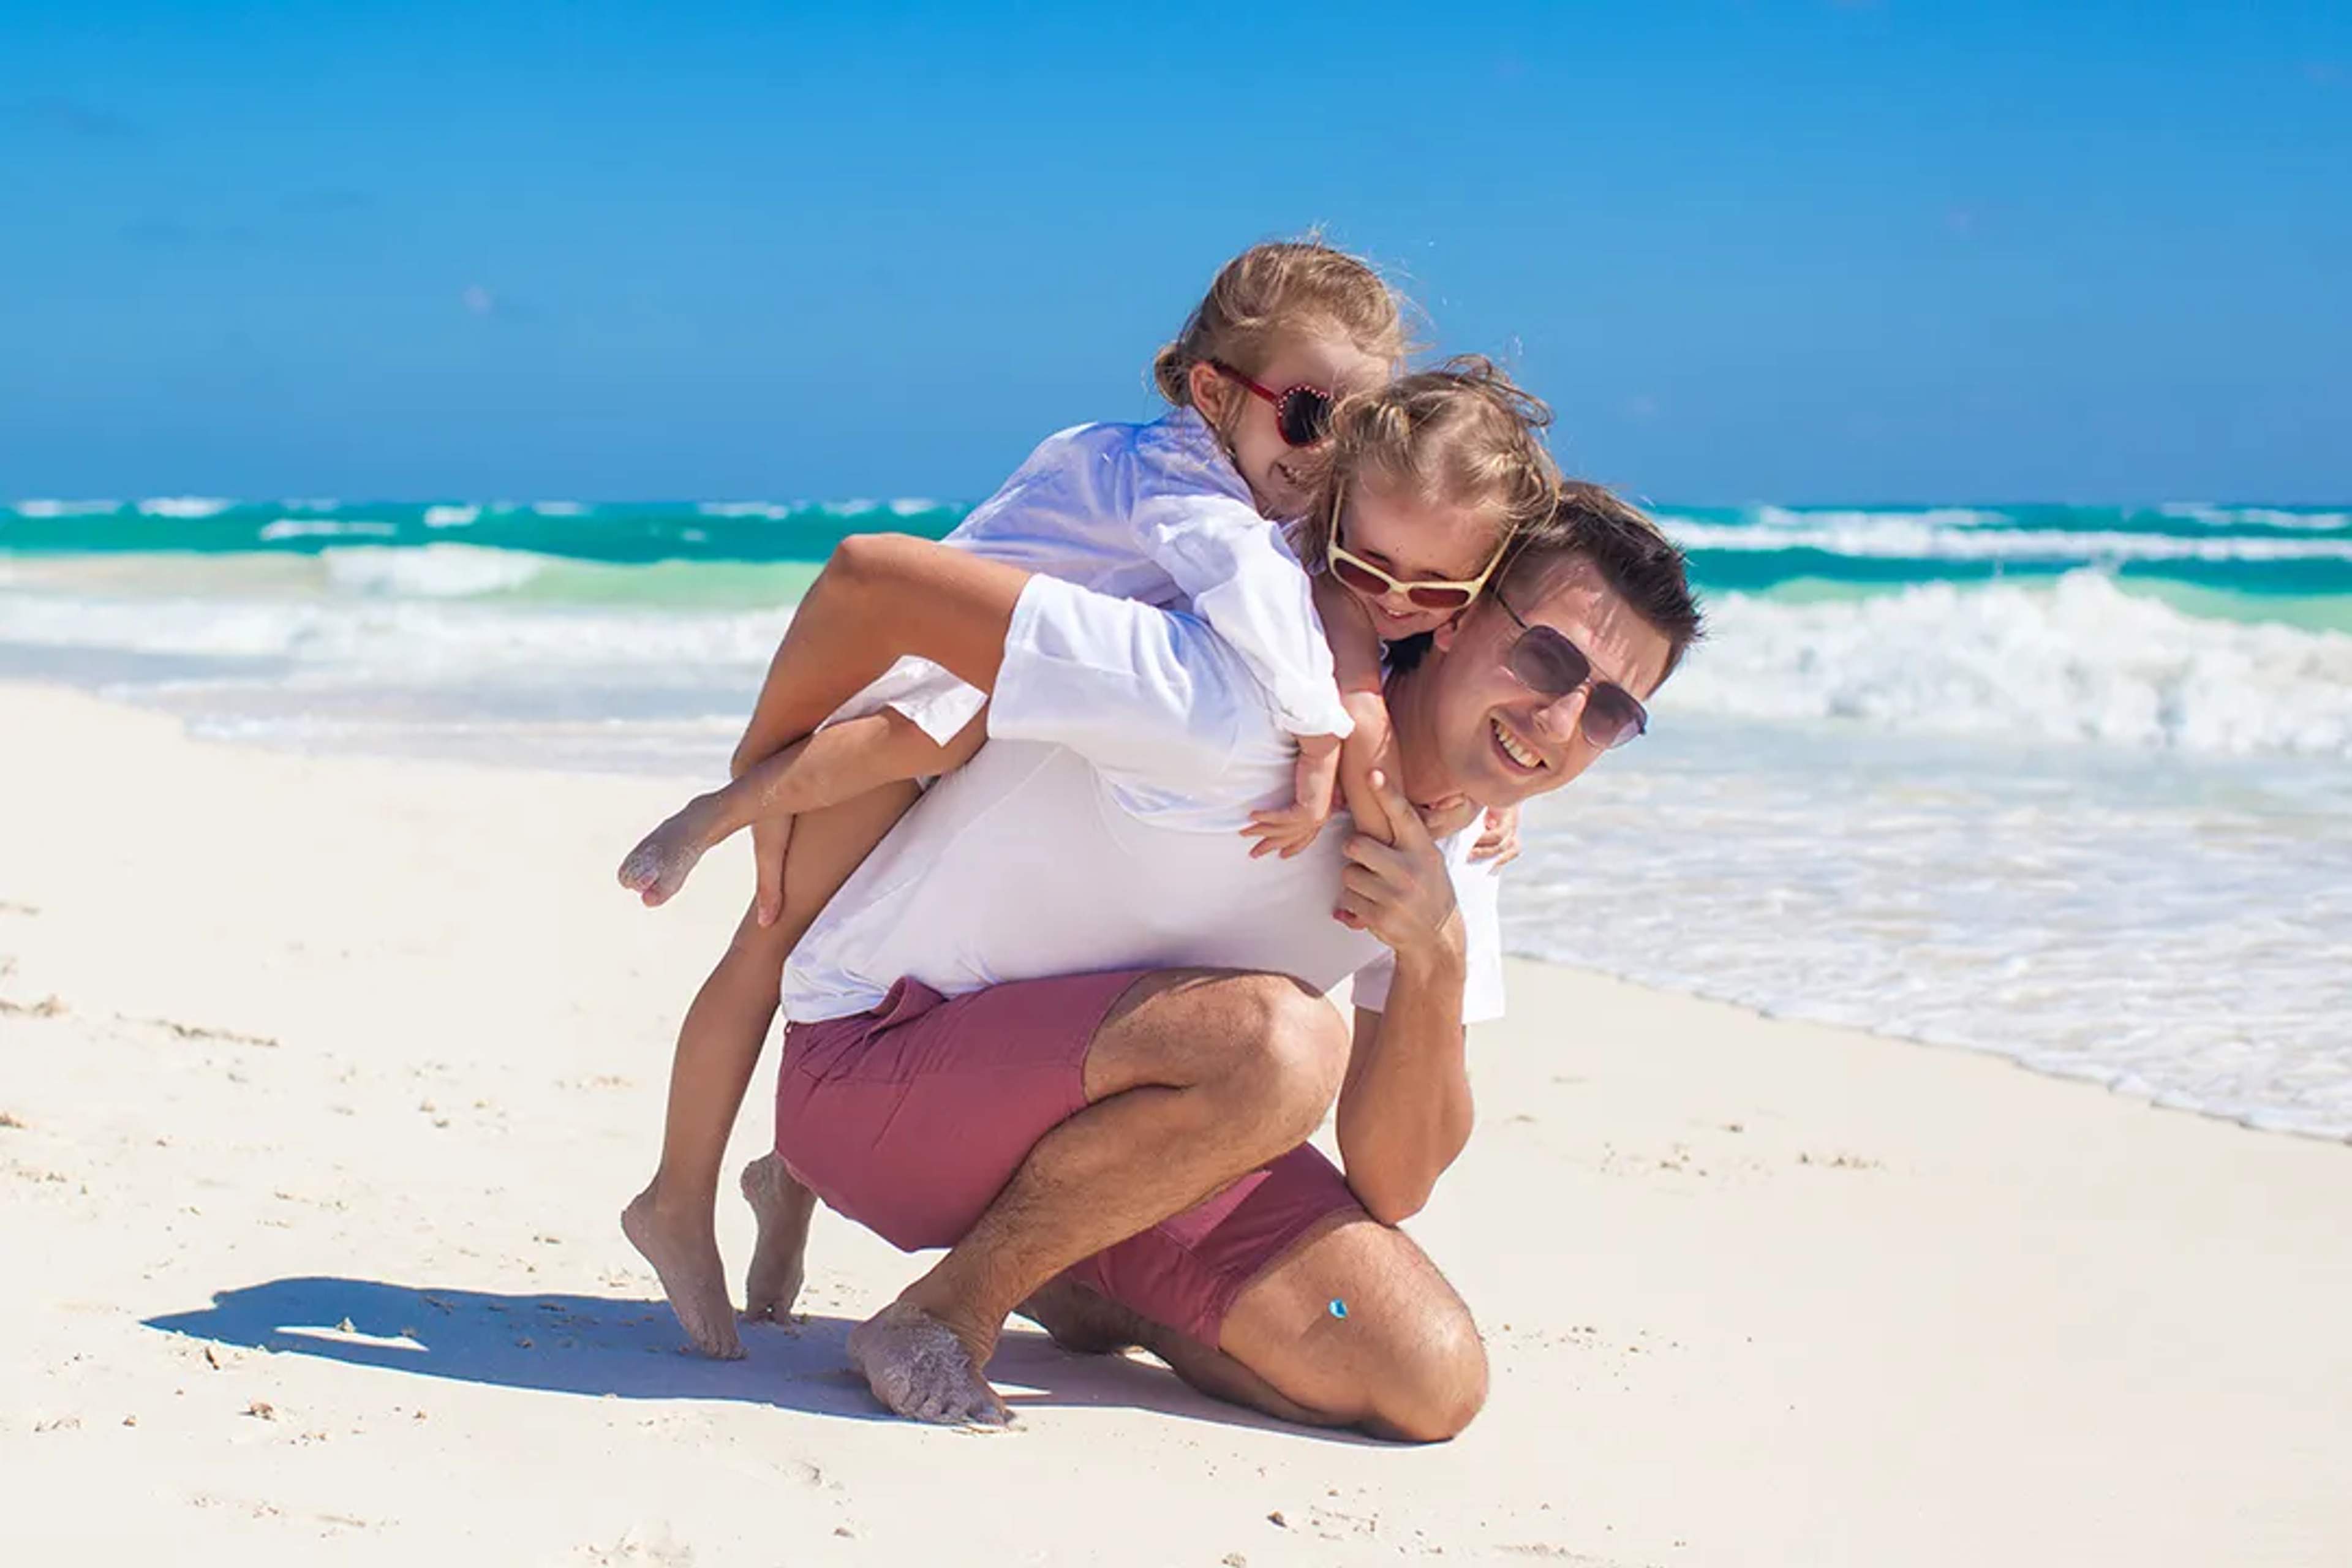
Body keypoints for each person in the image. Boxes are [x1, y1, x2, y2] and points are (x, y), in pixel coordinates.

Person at [612, 243, 1523, 1359]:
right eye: (1310, 413)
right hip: (924, 699)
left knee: (876, 932)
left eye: (1358, 425)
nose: (1330, 453)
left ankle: (786, 1182)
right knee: (779, 942)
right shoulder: (1178, 480)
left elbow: (1363, 602)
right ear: (1211, 392)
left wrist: (1487, 782)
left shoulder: (1283, 502)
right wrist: (1344, 734)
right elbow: (1265, 610)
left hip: (998, 711)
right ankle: (676, 1186)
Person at [721, 401, 1703, 1434]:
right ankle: (944, 1312)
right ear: (1453, 613)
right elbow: (882, 584)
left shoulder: (1462, 837)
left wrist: (1435, 954)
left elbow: (1396, 1176)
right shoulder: (1227, 694)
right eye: (1546, 662)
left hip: (1134, 1127)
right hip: (875, 1072)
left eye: (1609, 712)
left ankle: (1073, 1275)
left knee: (1426, 1376)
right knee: (1283, 1044)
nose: (1558, 724)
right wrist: (749, 791)